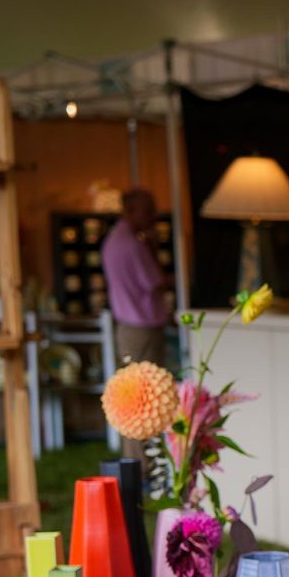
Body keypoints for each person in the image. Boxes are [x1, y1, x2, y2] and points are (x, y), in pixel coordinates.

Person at [101, 188, 172, 460]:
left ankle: (138, 461)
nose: (154, 216)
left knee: (134, 396)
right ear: (130, 210)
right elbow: (156, 281)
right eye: (148, 209)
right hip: (141, 327)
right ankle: (144, 463)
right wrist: (153, 248)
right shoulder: (132, 244)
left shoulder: (115, 240)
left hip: (129, 326)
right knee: (146, 399)